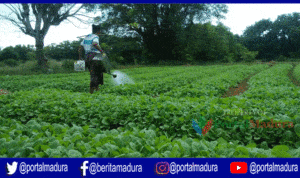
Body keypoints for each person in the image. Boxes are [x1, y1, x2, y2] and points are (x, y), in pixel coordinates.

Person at [78, 24, 116, 94]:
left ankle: (97, 89)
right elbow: (95, 44)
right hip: (95, 56)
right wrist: (102, 51)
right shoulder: (96, 37)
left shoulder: (86, 37)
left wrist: (80, 58)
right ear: (98, 31)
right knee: (96, 74)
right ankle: (91, 92)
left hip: (87, 57)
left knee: (95, 72)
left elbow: (80, 48)